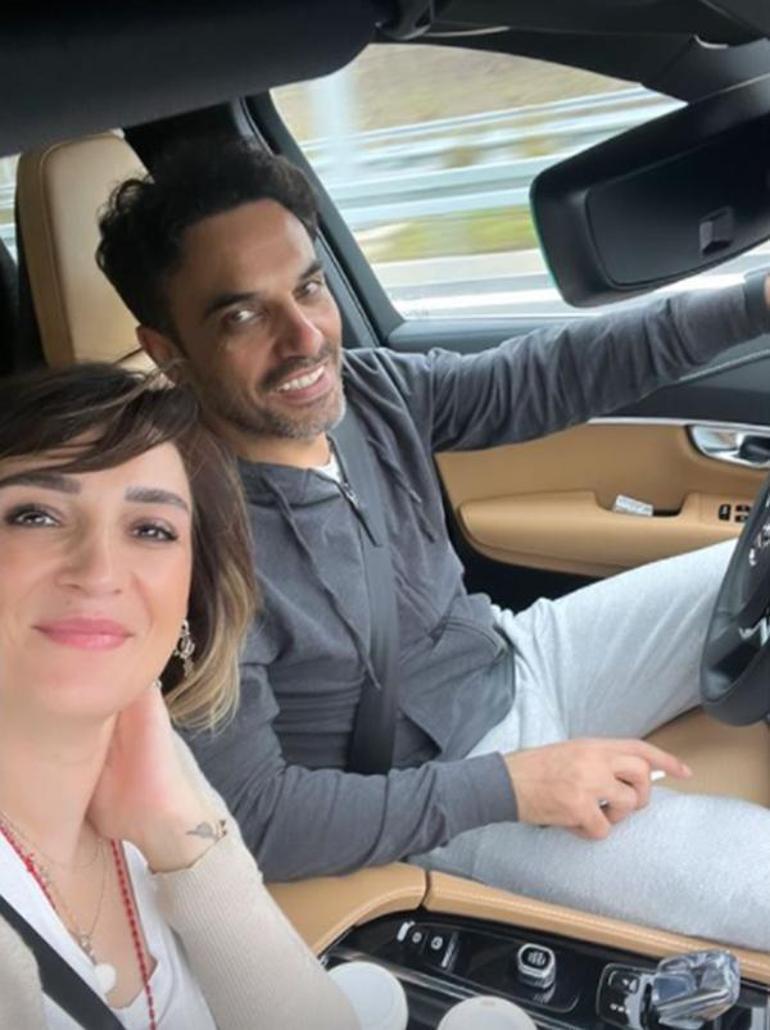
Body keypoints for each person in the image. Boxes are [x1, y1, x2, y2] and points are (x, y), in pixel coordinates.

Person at [96, 139, 770, 949]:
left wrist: (753, 304)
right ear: (168, 352)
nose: (305, 338)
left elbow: (545, 374)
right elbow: (259, 817)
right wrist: (510, 786)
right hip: (429, 793)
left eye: (309, 287)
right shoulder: (185, 547)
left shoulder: (369, 392)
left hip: (520, 659)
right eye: (243, 316)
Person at [0, 363, 358, 1029]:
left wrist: (188, 850)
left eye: (151, 529)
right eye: (35, 515)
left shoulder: (163, 770)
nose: (99, 572)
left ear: (192, 598)